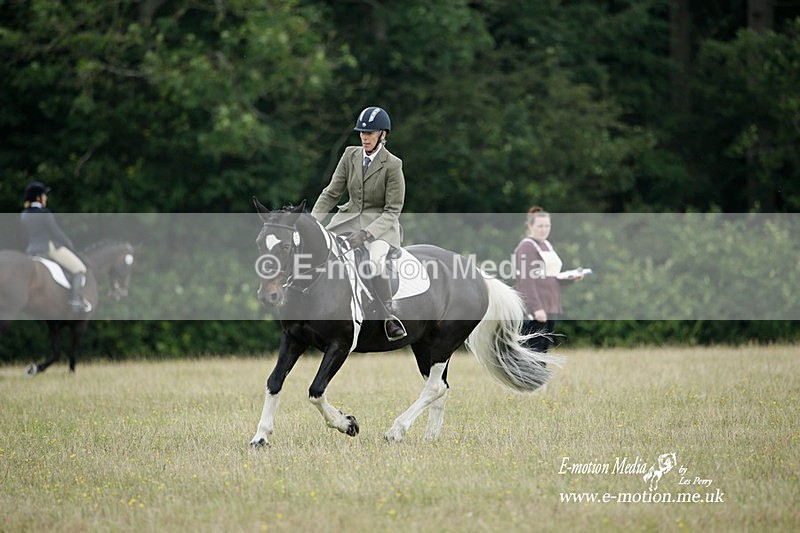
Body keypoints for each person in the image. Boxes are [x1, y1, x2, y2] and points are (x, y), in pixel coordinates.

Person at [311, 106, 407, 341]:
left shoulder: (393, 165)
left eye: (370, 133)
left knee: (374, 263)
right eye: (362, 133)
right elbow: (332, 193)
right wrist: (312, 221)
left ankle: (389, 315)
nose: (364, 137)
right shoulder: (350, 155)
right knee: (320, 252)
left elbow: (393, 210)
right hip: (346, 220)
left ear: (382, 135)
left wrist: (366, 234)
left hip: (381, 229)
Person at [514, 206, 583, 352]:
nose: (544, 229)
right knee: (533, 351)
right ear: (531, 226)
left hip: (550, 305)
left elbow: (550, 277)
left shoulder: (546, 245)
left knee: (543, 350)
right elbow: (527, 282)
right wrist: (537, 308)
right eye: (540, 226)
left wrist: (570, 278)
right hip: (535, 310)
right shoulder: (527, 247)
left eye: (547, 225)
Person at [20, 181, 92, 313]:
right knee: (79, 268)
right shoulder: (44, 212)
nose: (46, 198)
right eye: (44, 195)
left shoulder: (24, 214)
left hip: (31, 250)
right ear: (38, 197)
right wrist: (68, 243)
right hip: (49, 248)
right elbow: (56, 232)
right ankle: (75, 300)